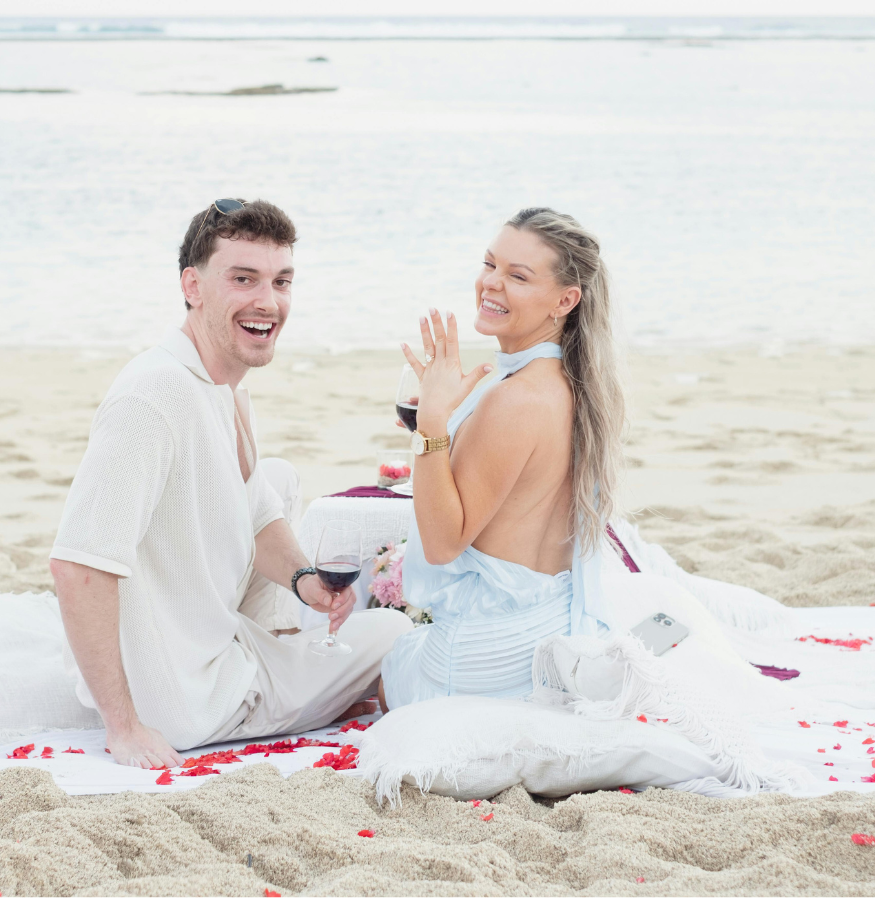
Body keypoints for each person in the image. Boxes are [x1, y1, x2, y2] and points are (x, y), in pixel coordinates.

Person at [49, 198, 412, 767]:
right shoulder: (152, 397)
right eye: (243, 279)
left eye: (281, 281)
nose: (267, 301)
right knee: (392, 634)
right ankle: (271, 675)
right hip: (189, 702)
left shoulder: (220, 383)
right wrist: (124, 728)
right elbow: (77, 565)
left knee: (276, 478)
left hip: (208, 642)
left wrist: (306, 584)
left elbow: (260, 510)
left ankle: (279, 646)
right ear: (192, 285)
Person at [379, 207, 625, 710]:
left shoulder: (514, 400)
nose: (491, 284)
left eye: (517, 276)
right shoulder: (575, 386)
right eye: (489, 264)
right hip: (546, 627)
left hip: (486, 658)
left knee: (384, 669)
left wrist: (431, 423)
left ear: (565, 300)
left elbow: (445, 543)